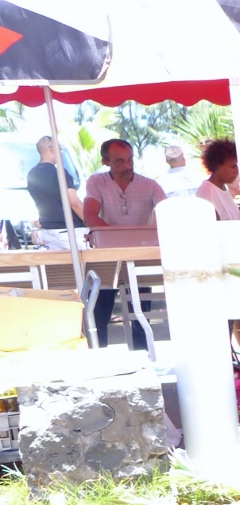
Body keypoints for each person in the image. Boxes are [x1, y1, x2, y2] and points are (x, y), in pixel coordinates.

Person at [83, 139, 166, 348]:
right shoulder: (96, 182)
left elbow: (167, 212)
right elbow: (88, 214)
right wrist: (116, 237)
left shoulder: (150, 185)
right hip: (105, 258)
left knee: (140, 314)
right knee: (99, 314)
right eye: (119, 162)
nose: (127, 166)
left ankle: (144, 361)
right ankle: (98, 359)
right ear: (105, 161)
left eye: (129, 160)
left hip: (139, 258)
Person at [25, 136, 84, 249]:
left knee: (57, 266)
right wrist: (92, 222)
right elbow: (74, 203)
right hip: (69, 231)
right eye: (59, 149)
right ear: (52, 149)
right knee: (85, 265)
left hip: (47, 231)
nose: (60, 153)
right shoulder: (60, 173)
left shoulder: (31, 174)